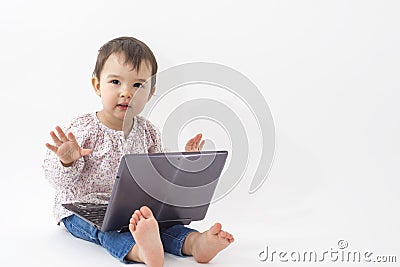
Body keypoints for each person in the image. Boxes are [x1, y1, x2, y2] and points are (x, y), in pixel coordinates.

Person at [43, 36, 234, 266]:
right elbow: (58, 182)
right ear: (97, 86)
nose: (127, 92)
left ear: (151, 93)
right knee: (107, 230)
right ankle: (140, 252)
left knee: (164, 223)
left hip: (130, 210)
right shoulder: (83, 130)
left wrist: (185, 163)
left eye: (137, 85)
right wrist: (66, 161)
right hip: (83, 208)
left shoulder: (148, 132)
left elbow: (159, 175)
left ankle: (195, 243)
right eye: (115, 82)